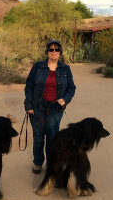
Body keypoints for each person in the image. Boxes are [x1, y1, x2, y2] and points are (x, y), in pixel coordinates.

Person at [24, 39, 76, 174]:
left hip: (55, 109)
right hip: (37, 107)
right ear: (47, 51)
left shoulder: (66, 68)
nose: (54, 52)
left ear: (60, 52)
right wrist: (28, 104)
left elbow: (71, 88)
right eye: (51, 49)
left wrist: (65, 99)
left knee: (52, 138)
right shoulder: (38, 67)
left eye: (56, 49)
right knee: (38, 137)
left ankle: (51, 164)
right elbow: (29, 86)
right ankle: (37, 162)